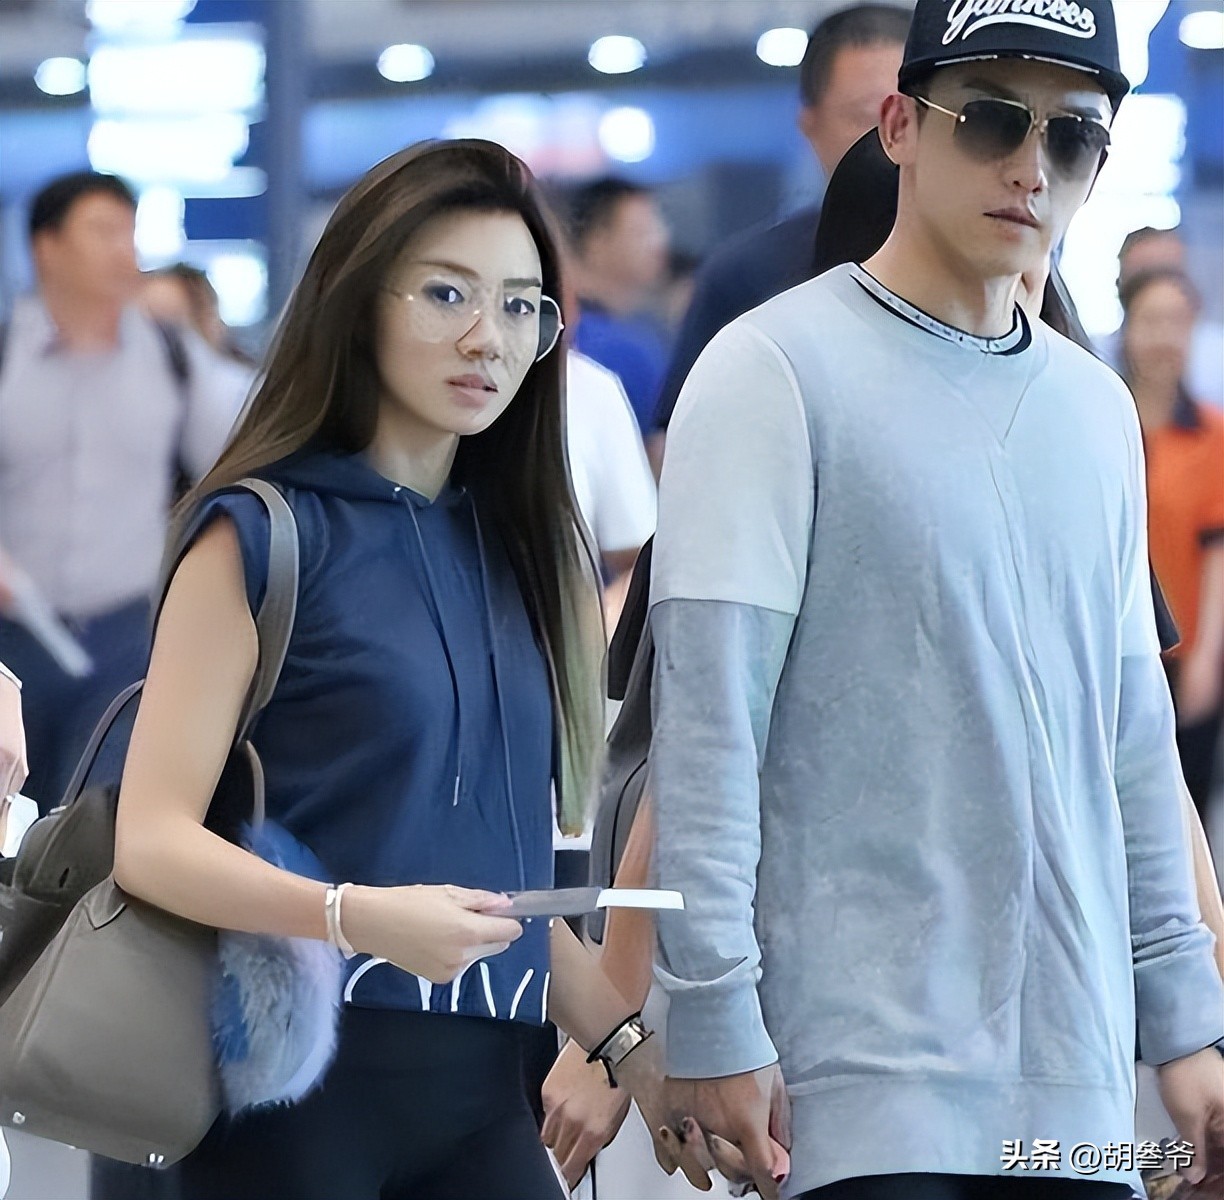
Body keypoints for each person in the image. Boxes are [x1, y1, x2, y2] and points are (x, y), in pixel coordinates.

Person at [647, 1, 1224, 1197]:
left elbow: (1131, 745)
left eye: (1074, 137)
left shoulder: (1096, 411)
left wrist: (1185, 1020)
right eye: (994, 119)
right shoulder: (769, 371)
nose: (1032, 165)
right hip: (854, 1082)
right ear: (901, 126)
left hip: (1076, 1093)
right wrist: (712, 1010)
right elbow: (708, 734)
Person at [108, 139, 717, 1200]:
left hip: (484, 1095)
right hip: (286, 1103)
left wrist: (635, 1057)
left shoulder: (521, 547)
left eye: (521, 306)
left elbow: (499, 889)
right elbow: (149, 843)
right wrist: (355, 915)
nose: (488, 337)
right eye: (447, 294)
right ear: (360, 305)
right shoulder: (261, 535)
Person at [0, 171, 239, 812]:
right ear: (47, 248)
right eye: (102, 231)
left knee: (95, 822)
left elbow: (246, 447)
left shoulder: (169, 355)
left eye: (129, 232)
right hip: (13, 638)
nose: (122, 249)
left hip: (125, 637)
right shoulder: (6, 354)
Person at [650, 3, 910, 463]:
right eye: (868, 114)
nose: (892, 137)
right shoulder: (746, 277)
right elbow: (674, 444)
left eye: (910, 114)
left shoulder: (989, 268)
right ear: (810, 126)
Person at [1121, 267, 1224, 815]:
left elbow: (1218, 556)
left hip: (1185, 658)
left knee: (1188, 815)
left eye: (1177, 322)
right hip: (1115, 655)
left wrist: (1208, 657)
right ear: (1128, 327)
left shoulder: (1212, 434)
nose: (1164, 337)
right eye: (1151, 321)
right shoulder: (1102, 419)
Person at [568, 178, 671, 433]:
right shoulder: (622, 351)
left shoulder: (639, 335)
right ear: (597, 241)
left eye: (658, 228)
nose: (660, 242)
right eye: (643, 232)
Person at [1112, 227, 1224, 410]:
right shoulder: (1094, 359)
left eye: (1170, 272)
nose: (1163, 337)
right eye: (1143, 274)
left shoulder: (1216, 356)